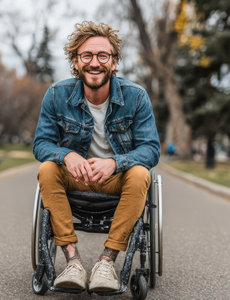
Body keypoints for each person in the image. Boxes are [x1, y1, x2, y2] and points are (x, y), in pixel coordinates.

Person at [33, 21, 160, 292]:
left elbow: (151, 149)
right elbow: (41, 144)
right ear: (75, 62)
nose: (95, 63)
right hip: (75, 179)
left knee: (141, 173)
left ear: (114, 63)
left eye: (103, 55)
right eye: (87, 56)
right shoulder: (57, 95)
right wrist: (66, 155)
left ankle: (106, 263)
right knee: (47, 169)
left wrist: (115, 162)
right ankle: (73, 261)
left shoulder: (136, 97)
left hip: (116, 180)